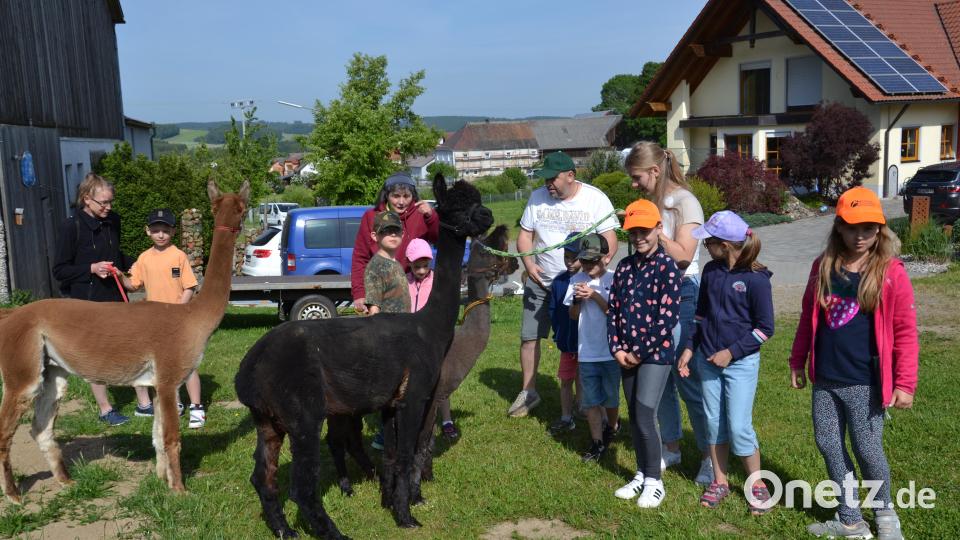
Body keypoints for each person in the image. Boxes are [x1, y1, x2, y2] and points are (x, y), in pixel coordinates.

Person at [789, 187, 917, 540]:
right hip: (826, 380)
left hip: (866, 382)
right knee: (828, 443)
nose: (860, 236)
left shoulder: (891, 272)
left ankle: (886, 516)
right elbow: (806, 319)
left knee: (867, 448)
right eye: (852, 227)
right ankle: (850, 519)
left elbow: (906, 331)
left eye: (868, 228)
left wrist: (905, 383)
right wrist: (798, 361)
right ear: (839, 228)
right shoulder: (822, 267)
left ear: (880, 229)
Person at [625, 141, 712, 484]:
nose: (634, 185)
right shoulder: (652, 202)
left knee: (686, 377)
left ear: (655, 171)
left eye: (637, 177)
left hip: (683, 293)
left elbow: (684, 256)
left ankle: (709, 455)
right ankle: (671, 447)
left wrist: (655, 233)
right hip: (653, 293)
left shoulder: (687, 203)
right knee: (659, 380)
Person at [676, 211, 774, 514]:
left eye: (710, 243)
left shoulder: (756, 280)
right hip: (707, 361)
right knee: (714, 422)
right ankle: (719, 480)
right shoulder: (711, 272)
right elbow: (701, 315)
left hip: (740, 365)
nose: (706, 247)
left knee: (739, 426)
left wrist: (731, 352)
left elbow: (764, 329)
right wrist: (691, 348)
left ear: (726, 244)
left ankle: (756, 483)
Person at [509, 151, 619, 418]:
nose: (548, 184)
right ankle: (528, 392)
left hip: (578, 285)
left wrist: (594, 270)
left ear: (571, 175)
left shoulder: (595, 198)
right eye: (545, 179)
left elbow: (609, 239)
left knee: (578, 341)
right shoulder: (537, 198)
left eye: (552, 178)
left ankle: (585, 398)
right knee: (530, 336)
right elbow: (525, 236)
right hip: (543, 281)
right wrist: (529, 263)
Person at [51, 173, 151, 426]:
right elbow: (60, 270)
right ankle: (106, 409)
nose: (108, 208)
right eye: (103, 203)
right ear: (87, 199)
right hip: (87, 303)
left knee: (132, 347)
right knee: (97, 354)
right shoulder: (70, 226)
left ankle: (145, 403)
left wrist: (147, 263)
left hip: (116, 296)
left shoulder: (112, 221)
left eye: (110, 202)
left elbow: (116, 256)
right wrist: (91, 268)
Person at [607, 199, 681, 508]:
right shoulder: (624, 267)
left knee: (645, 411)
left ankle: (655, 482)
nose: (638, 238)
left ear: (658, 229)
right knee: (635, 416)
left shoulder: (667, 267)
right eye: (632, 233)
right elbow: (613, 310)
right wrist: (618, 348)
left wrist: (638, 352)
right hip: (626, 355)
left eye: (644, 231)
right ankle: (642, 472)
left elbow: (667, 318)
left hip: (655, 354)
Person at [120, 209, 205, 429]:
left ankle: (197, 407)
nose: (160, 235)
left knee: (186, 363)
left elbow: (189, 286)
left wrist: (178, 309)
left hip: (178, 319)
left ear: (173, 232)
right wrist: (118, 274)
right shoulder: (144, 258)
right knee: (164, 365)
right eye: (156, 230)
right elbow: (132, 284)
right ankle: (175, 403)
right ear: (148, 232)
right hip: (154, 322)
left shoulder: (179, 255)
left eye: (165, 231)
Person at [564, 233, 619, 462]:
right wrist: (577, 300)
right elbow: (573, 315)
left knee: (612, 399)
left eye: (592, 261)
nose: (587, 266)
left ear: (605, 259)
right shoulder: (576, 280)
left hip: (610, 351)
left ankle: (613, 427)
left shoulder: (614, 279)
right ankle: (596, 442)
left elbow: (615, 314)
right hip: (587, 351)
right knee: (592, 401)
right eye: (584, 261)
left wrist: (595, 295)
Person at [352, 172, 438, 315]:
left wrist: (431, 216)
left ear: (413, 197)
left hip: (413, 286)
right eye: (396, 196)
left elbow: (436, 238)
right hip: (381, 287)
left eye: (406, 196)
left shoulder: (421, 215)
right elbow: (360, 257)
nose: (401, 202)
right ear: (386, 195)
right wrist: (359, 293)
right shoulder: (371, 216)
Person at [364, 210, 411, 451]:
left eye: (396, 230)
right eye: (386, 231)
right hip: (388, 338)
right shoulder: (376, 267)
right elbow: (374, 309)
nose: (393, 235)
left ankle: (396, 432)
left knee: (403, 388)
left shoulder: (395, 263)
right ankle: (384, 438)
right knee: (391, 390)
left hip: (403, 336)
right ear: (375, 235)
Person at [405, 238, 460, 438]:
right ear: (409, 263)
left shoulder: (437, 281)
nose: (421, 271)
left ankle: (446, 419)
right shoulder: (405, 281)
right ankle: (417, 418)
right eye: (417, 266)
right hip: (411, 338)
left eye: (425, 266)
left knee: (439, 379)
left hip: (434, 339)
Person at [547, 232, 582, 435]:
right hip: (566, 344)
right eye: (566, 257)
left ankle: (588, 410)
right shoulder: (559, 281)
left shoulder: (588, 280)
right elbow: (553, 310)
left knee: (586, 379)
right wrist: (558, 332)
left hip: (586, 344)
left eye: (574, 258)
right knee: (566, 380)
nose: (569, 262)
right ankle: (566, 416)